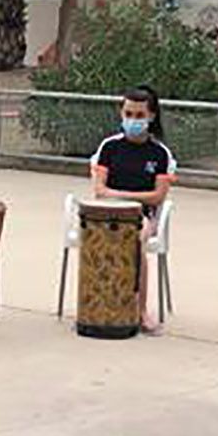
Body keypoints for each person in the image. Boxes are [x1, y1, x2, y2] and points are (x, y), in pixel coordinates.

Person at [89, 85, 177, 334]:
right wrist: (121, 196)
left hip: (142, 215)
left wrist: (124, 196)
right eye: (128, 114)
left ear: (151, 116)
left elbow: (157, 196)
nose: (133, 120)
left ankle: (140, 311)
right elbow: (99, 189)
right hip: (106, 211)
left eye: (139, 116)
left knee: (135, 242)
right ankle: (96, 304)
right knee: (95, 241)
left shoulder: (160, 154)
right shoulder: (109, 147)